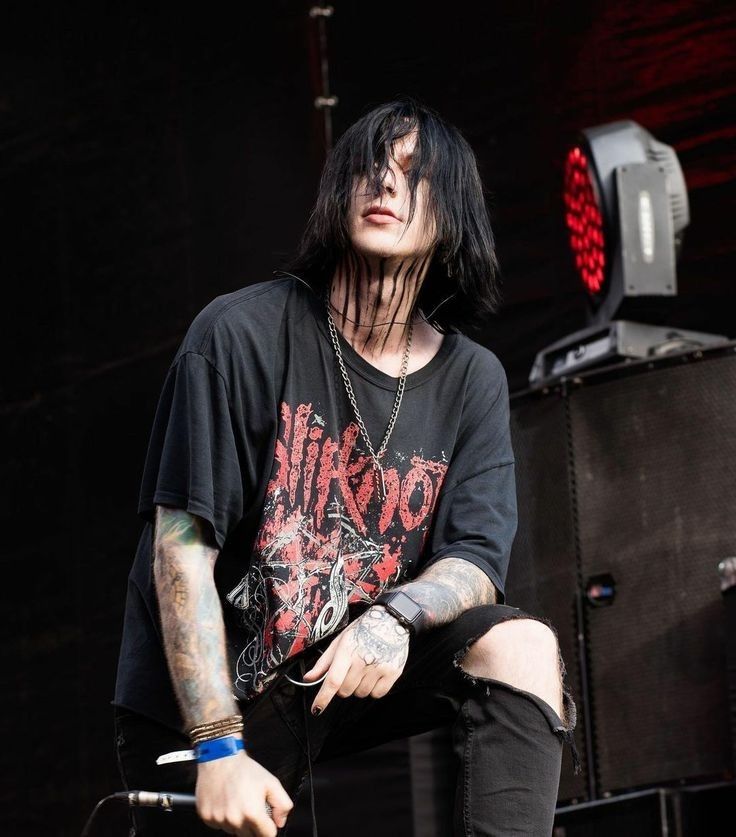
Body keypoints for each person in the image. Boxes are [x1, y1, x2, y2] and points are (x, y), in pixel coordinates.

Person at [112, 98, 578, 837]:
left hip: (343, 670)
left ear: (452, 210)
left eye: (411, 172)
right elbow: (181, 549)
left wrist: (394, 616)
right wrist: (217, 744)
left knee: (521, 643)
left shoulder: (471, 379)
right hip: (209, 704)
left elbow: (478, 558)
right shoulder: (239, 334)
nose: (384, 183)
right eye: (369, 165)